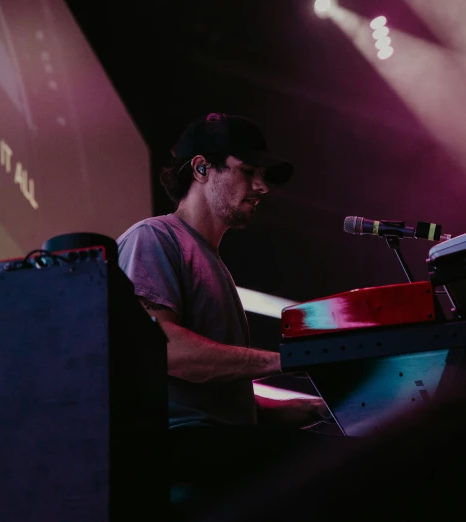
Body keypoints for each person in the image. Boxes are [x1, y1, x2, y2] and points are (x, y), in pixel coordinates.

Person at [116, 113, 333, 514]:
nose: (261, 186)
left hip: (214, 442)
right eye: (247, 170)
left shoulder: (214, 264)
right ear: (201, 168)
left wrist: (316, 409)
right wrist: (290, 360)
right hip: (178, 445)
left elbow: (213, 398)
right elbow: (164, 352)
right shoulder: (154, 237)